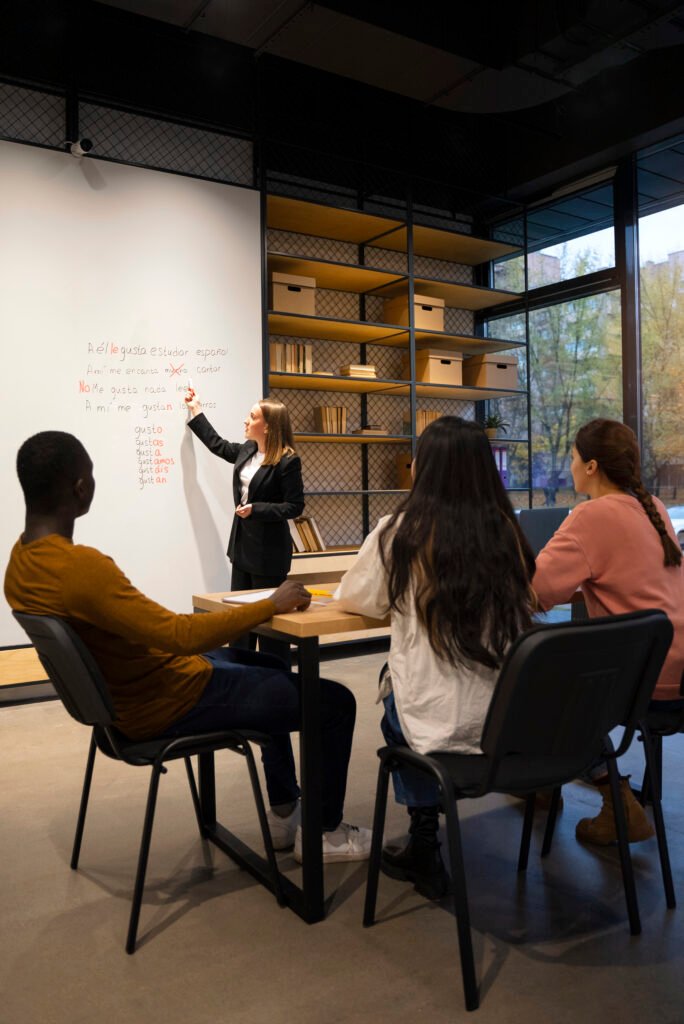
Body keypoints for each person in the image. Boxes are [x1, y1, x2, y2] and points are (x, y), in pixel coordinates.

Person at [4, 431, 371, 863]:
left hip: (131, 700)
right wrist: (270, 604)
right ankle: (324, 836)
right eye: (92, 474)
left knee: (272, 670)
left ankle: (284, 810)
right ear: (80, 488)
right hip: (170, 699)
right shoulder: (81, 568)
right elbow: (181, 636)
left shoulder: (20, 562)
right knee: (335, 702)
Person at [335, 416, 536, 898]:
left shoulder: (400, 532)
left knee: (394, 687)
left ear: (422, 468)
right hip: (509, 724)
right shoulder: (508, 534)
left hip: (437, 724)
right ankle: (425, 838)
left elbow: (355, 598)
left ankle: (425, 838)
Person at [533, 418, 684, 846]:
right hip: (677, 670)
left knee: (536, 677)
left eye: (575, 457)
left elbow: (536, 592)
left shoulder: (590, 516)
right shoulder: (653, 506)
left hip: (640, 685)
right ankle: (554, 782)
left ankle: (612, 797)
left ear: (593, 466)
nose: (571, 464)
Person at [184, 390, 303, 594]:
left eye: (252, 417)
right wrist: (196, 410)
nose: (245, 421)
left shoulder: (288, 461)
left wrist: (255, 509)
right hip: (242, 548)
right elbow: (218, 445)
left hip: (268, 554)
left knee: (263, 618)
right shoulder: (249, 449)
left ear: (267, 427)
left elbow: (294, 506)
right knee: (240, 611)